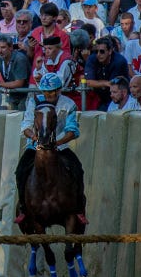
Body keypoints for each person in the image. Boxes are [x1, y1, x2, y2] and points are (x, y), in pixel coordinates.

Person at [14, 72, 87, 227]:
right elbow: (25, 125)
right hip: (35, 147)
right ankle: (23, 207)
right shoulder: (34, 102)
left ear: (59, 90)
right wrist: (35, 138)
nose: (51, 94)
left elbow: (73, 130)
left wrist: (57, 142)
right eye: (47, 92)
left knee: (78, 169)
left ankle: (79, 208)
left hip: (60, 147)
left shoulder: (69, 104)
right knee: (20, 171)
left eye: (54, 91)